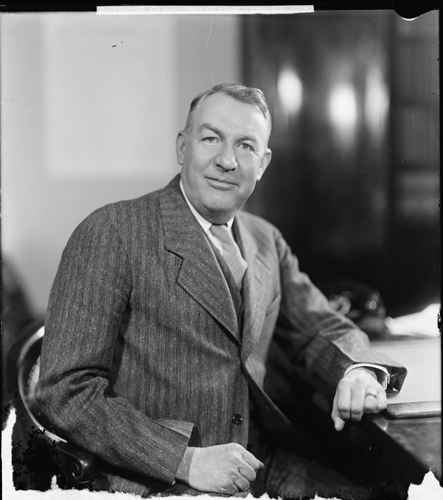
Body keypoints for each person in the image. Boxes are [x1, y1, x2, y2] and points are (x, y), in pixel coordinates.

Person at [35, 83, 407, 499]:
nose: (227, 161)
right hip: (159, 480)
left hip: (261, 466)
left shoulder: (266, 240)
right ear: (182, 147)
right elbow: (64, 390)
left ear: (262, 163)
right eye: (211, 138)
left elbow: (320, 327)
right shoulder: (111, 232)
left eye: (246, 146)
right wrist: (185, 460)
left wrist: (357, 370)